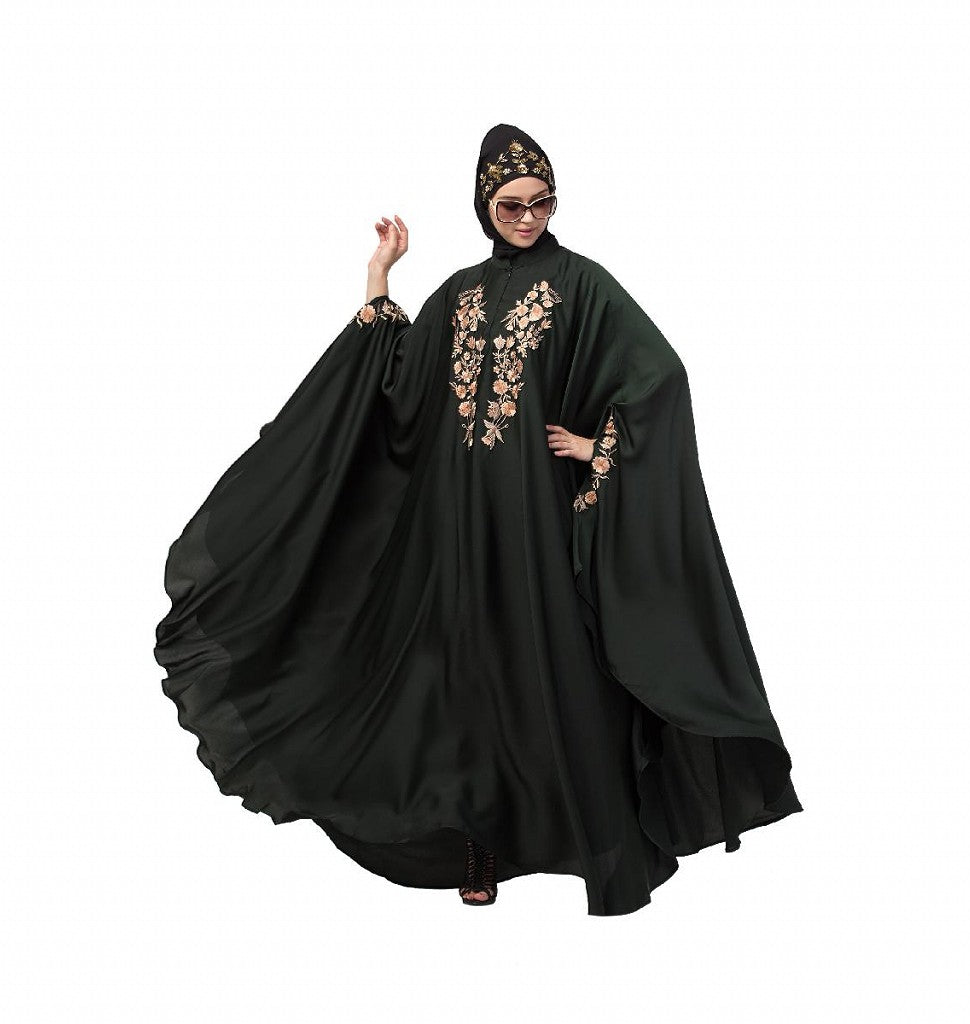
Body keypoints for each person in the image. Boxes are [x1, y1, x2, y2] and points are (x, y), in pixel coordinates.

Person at [153, 123, 803, 916]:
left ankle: (595, 843)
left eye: (540, 203)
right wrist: (378, 280)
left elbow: (660, 377)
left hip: (536, 529)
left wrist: (599, 445)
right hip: (455, 531)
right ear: (483, 205)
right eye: (510, 205)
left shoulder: (582, 285)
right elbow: (398, 390)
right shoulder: (458, 294)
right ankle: (477, 852)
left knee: (557, 678)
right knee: (462, 687)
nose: (526, 218)